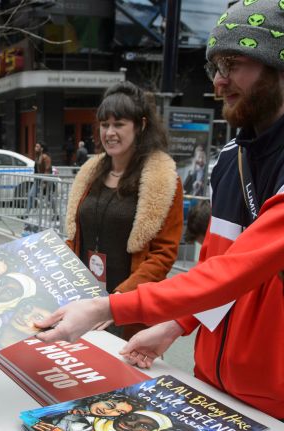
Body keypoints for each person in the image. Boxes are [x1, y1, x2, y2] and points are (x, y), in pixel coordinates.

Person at [36, 0, 284, 428]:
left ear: (280, 64)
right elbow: (217, 264)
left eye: (232, 63)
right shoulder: (232, 156)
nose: (219, 82)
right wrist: (176, 324)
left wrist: (108, 308)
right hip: (210, 385)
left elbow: (240, 271)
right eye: (214, 67)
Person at [64, 82, 183, 340]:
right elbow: (75, 239)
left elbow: (163, 256)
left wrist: (116, 302)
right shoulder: (90, 172)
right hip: (82, 303)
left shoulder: (162, 180)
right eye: (105, 124)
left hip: (126, 308)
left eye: (119, 124)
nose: (109, 132)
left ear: (140, 126)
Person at [26, 142, 53, 215]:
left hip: (46, 180)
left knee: (49, 197)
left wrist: (44, 182)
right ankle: (27, 213)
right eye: (35, 146)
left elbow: (47, 170)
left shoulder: (46, 157)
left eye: (37, 146)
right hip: (38, 179)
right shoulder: (38, 156)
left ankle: (56, 214)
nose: (35, 148)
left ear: (42, 148)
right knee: (31, 195)